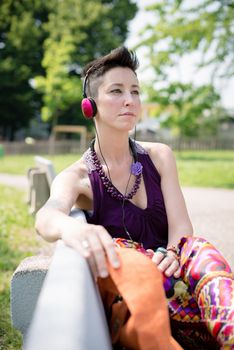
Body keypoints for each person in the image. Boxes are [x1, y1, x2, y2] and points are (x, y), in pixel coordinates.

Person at [35, 47, 233, 349]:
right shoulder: (78, 177)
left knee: (198, 247)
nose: (130, 100)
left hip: (177, 267)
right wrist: (74, 228)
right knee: (127, 253)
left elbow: (182, 229)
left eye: (135, 91)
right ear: (90, 106)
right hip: (142, 292)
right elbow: (47, 217)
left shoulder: (160, 156)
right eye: (116, 91)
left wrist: (170, 254)